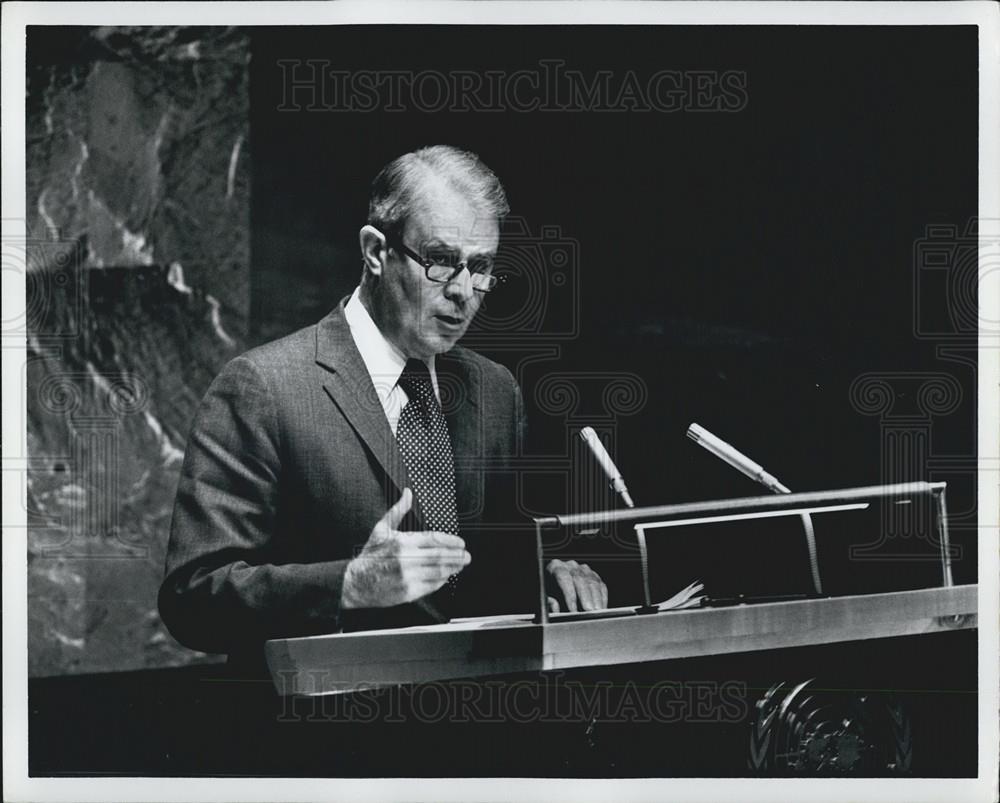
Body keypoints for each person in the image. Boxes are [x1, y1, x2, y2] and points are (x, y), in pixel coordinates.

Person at [158, 145, 607, 674]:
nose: (464, 292)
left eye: (481, 267)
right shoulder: (264, 388)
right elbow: (193, 599)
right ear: (375, 252)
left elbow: (484, 566)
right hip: (320, 731)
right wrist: (349, 583)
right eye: (440, 261)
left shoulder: (493, 390)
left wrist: (549, 574)